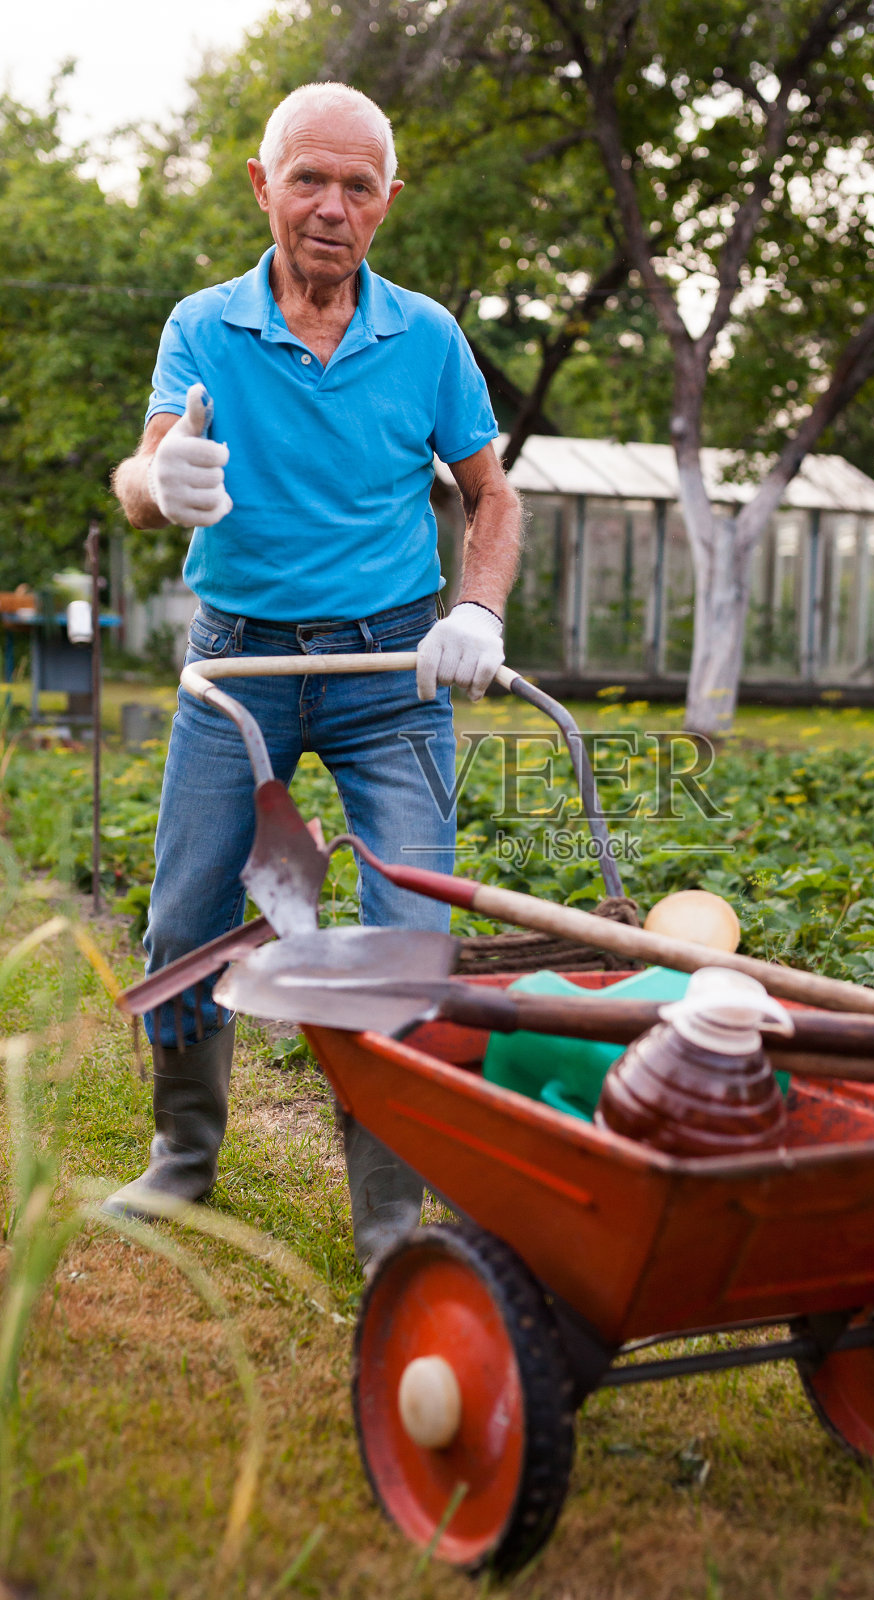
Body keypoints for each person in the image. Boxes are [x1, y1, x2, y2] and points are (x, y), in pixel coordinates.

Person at [104, 82, 522, 1266]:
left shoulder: (428, 337)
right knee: (191, 915)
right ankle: (183, 1157)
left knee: (405, 928)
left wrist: (477, 608)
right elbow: (142, 475)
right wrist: (164, 479)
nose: (328, 207)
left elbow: (491, 494)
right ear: (261, 183)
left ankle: (392, 1216)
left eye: (355, 186)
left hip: (390, 664)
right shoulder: (203, 325)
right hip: (238, 664)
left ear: (388, 201)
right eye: (307, 179)